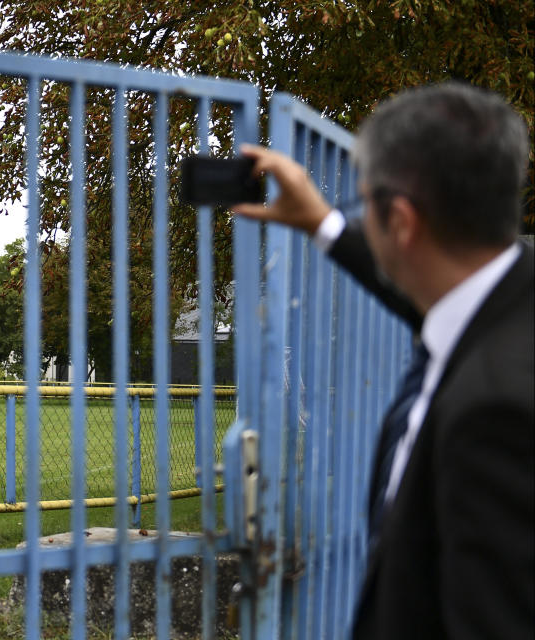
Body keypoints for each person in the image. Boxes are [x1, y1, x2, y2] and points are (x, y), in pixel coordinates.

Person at [232, 82, 534, 639]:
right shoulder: (503, 297)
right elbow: (424, 282)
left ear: (401, 222)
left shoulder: (495, 415)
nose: (360, 217)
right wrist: (323, 222)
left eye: (363, 202)